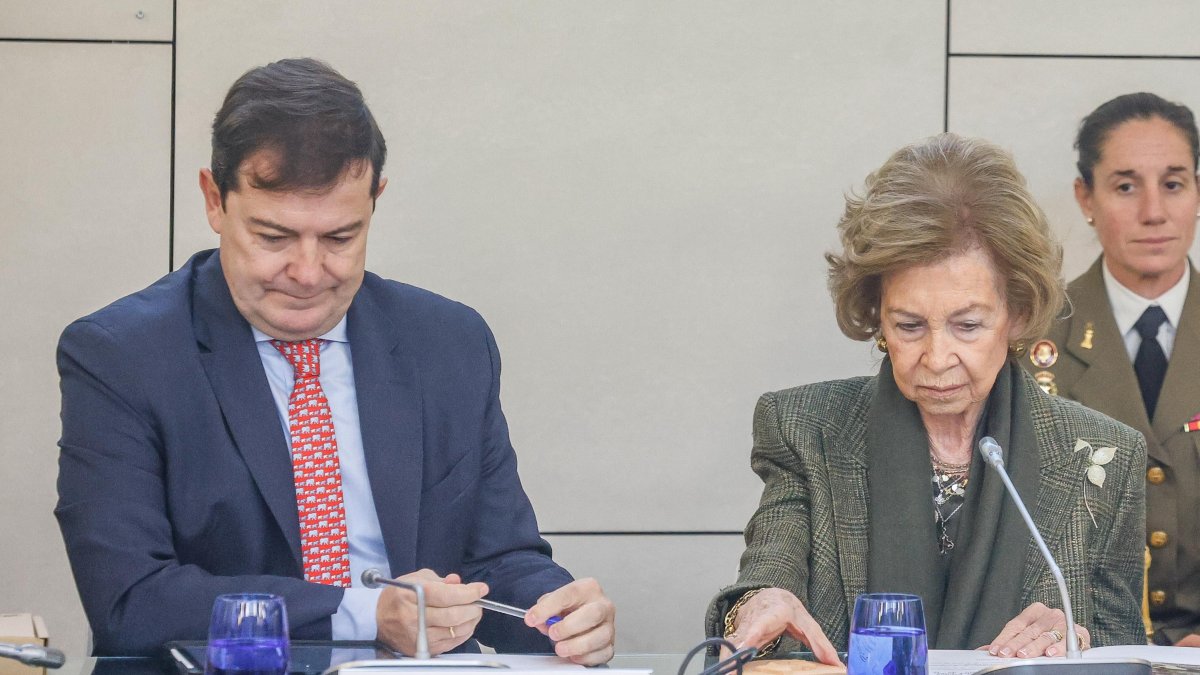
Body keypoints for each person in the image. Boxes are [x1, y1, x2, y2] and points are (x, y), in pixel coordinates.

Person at [55, 58, 615, 661]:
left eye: (340, 238)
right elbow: (131, 602)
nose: (307, 272)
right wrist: (366, 615)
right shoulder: (123, 356)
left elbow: (497, 559)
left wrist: (557, 612)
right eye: (273, 238)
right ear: (215, 201)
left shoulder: (449, 343)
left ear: (376, 199)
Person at [706, 133, 1147, 665]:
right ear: (877, 316)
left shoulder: (1104, 455)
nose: (937, 359)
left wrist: (1076, 635)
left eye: (967, 325)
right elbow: (768, 577)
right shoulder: (803, 430)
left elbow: (1127, 654)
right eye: (910, 326)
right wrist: (757, 606)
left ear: (1019, 314)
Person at [1021, 92, 1200, 647]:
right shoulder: (1031, 341)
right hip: (1079, 649)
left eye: (1173, 184)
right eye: (1125, 186)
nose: (1153, 211)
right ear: (1086, 197)